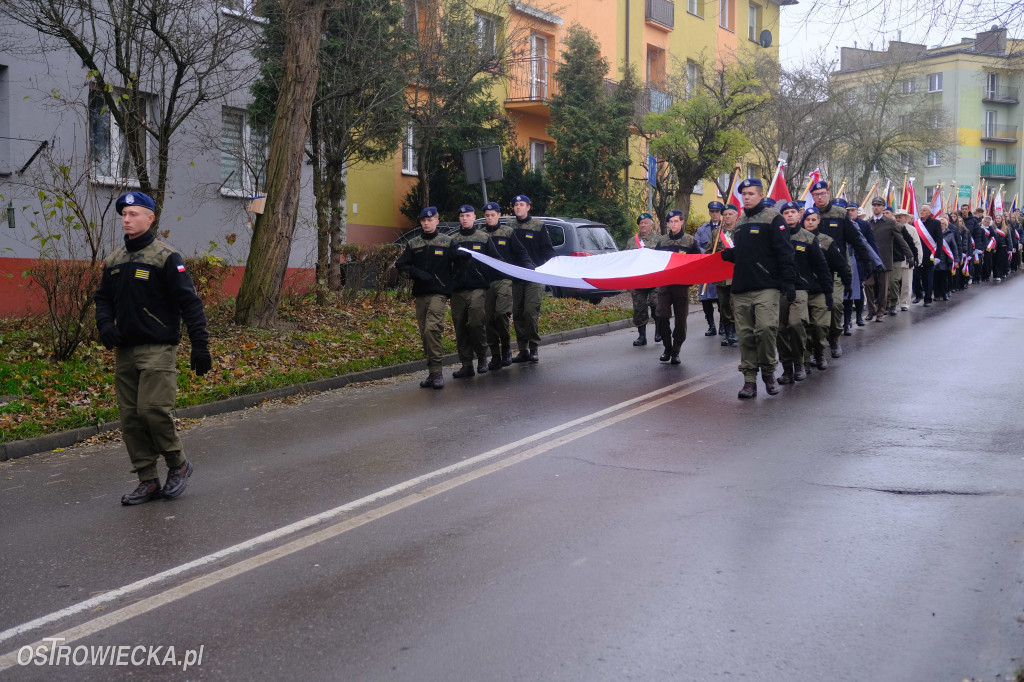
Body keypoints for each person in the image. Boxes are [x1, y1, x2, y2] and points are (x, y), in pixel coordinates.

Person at [94, 192, 211, 506]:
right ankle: (147, 480)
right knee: (131, 418)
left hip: (158, 347)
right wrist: (105, 324)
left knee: (152, 410)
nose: (127, 219)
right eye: (124, 214)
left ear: (150, 218)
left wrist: (200, 345)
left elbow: (190, 303)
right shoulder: (116, 260)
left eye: (133, 214)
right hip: (125, 351)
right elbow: (103, 298)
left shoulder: (166, 257)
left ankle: (178, 464)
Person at [719, 179, 796, 399]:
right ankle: (749, 380)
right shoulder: (740, 222)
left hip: (767, 286)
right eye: (744, 194)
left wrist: (789, 282)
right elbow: (746, 252)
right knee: (745, 336)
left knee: (765, 329)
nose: (746, 197)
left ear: (761, 195)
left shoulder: (773, 218)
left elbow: (785, 251)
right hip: (741, 287)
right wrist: (731, 255)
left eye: (751, 193)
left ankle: (769, 373)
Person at [810, 180, 882, 358]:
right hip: (814, 270)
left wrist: (866, 261)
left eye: (822, 194)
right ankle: (814, 346)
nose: (820, 198)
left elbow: (855, 239)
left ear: (828, 193)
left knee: (836, 306)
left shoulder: (840, 213)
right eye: (816, 195)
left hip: (837, 268)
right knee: (815, 311)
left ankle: (834, 338)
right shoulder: (809, 215)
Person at [395, 206, 457, 389]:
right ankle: (431, 372)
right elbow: (401, 265)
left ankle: (437, 372)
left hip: (439, 293)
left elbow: (459, 263)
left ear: (437, 221)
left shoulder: (447, 242)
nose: (426, 223)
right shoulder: (414, 243)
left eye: (430, 220)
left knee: (432, 329)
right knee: (424, 333)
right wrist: (415, 272)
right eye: (423, 220)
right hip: (421, 294)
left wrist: (453, 282)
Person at [777, 201, 832, 384]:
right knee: (780, 329)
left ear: (799, 215)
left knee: (796, 324)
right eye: (786, 212)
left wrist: (828, 291)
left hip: (800, 288)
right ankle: (787, 368)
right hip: (778, 289)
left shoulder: (808, 238)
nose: (789, 215)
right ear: (782, 216)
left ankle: (800, 362)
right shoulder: (775, 236)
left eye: (793, 212)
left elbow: (821, 266)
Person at [449, 205, 502, 378]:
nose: (465, 219)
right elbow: (446, 263)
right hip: (458, 289)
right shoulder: (453, 240)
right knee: (460, 326)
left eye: (468, 216)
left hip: (477, 288)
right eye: (462, 216)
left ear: (474, 217)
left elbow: (495, 261)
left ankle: (482, 357)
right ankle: (466, 364)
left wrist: (485, 276)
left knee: (475, 323)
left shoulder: (483, 238)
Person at [480, 202, 534, 370]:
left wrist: (529, 266)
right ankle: (495, 354)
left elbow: (520, 251)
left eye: (493, 215)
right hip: (486, 281)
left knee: (501, 314)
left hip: (504, 279)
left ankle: (506, 347)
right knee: (489, 319)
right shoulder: (480, 234)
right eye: (487, 215)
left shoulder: (508, 232)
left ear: (499, 215)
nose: (490, 218)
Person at [799, 206, 851, 373]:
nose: (810, 222)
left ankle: (827, 344)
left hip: (823, 286)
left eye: (813, 219)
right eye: (807, 219)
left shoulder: (826, 241)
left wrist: (847, 281)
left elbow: (840, 264)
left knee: (822, 322)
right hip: (803, 288)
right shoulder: (795, 238)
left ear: (819, 221)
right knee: (803, 325)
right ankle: (807, 357)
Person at [509, 194, 556, 362]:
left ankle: (534, 347)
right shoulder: (509, 226)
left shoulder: (538, 225)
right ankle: (523, 349)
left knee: (530, 312)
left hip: (534, 275)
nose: (518, 207)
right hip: (516, 275)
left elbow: (547, 249)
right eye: (516, 205)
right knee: (518, 313)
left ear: (528, 207)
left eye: (521, 204)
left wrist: (555, 264)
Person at [654, 209, 700, 364]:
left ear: (682, 222)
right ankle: (667, 347)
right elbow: (655, 261)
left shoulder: (690, 241)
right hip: (665, 284)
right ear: (667, 223)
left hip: (681, 286)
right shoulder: (662, 241)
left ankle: (676, 350)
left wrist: (692, 278)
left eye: (676, 221)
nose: (673, 224)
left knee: (681, 319)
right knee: (661, 315)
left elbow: (697, 261)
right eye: (670, 221)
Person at [865, 198, 912, 321]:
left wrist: (909, 255)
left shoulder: (890, 223)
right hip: (870, 260)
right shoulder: (868, 223)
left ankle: (880, 312)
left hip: (884, 260)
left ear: (883, 207)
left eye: (878, 205)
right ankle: (871, 311)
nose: (876, 207)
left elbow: (901, 240)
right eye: (874, 205)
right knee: (868, 285)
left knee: (883, 288)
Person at [626, 212, 661, 346]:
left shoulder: (659, 240)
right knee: (639, 308)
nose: (643, 225)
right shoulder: (632, 241)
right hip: (638, 280)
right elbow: (626, 258)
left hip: (655, 278)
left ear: (651, 225)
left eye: (646, 223)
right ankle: (642, 336)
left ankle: (659, 331)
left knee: (656, 304)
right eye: (641, 223)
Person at [710, 205, 740, 347]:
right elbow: (710, 251)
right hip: (721, 276)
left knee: (736, 304)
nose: (727, 216)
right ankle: (729, 334)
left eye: (730, 214)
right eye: (725, 214)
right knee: (724, 305)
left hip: (737, 274)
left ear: (736, 215)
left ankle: (737, 332)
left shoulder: (741, 231)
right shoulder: (717, 233)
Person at [694, 201, 725, 336]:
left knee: (722, 298)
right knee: (705, 298)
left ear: (720, 213)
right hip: (706, 267)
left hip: (720, 267)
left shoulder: (725, 229)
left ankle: (723, 325)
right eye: (712, 211)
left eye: (717, 212)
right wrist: (707, 254)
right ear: (709, 213)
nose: (714, 214)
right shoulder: (702, 229)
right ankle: (711, 326)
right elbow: (696, 245)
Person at [891, 207, 920, 311]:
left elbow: (916, 244)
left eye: (900, 217)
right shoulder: (892, 228)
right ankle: (894, 301)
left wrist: (917, 259)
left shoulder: (912, 229)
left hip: (908, 260)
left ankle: (904, 303)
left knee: (906, 284)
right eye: (897, 217)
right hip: (895, 259)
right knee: (894, 283)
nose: (898, 219)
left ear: (905, 218)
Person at [917, 204, 942, 305]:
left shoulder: (936, 223)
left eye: (924, 210)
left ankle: (927, 299)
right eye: (921, 210)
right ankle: (918, 295)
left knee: (928, 279)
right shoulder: (916, 223)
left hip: (930, 255)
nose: (922, 211)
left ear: (929, 213)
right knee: (916, 277)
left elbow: (939, 240)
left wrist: (937, 256)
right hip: (918, 255)